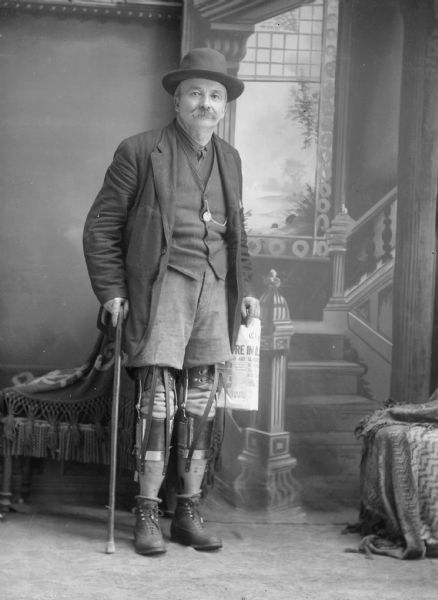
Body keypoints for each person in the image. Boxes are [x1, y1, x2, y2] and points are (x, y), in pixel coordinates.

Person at [83, 47, 260, 556]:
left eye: (215, 95)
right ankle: (145, 512)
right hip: (161, 288)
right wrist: (113, 291)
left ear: (224, 107)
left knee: (202, 401)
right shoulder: (140, 150)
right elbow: (101, 228)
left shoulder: (230, 158)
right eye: (196, 93)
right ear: (177, 100)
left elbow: (238, 234)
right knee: (157, 400)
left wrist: (243, 292)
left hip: (214, 288)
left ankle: (187, 509)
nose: (206, 103)